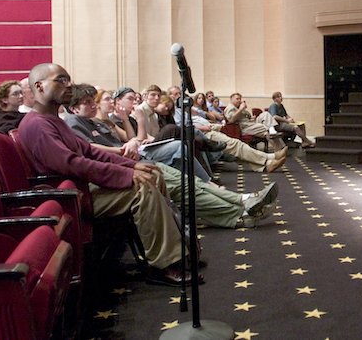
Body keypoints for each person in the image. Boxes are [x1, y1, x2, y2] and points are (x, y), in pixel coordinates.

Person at [19, 63, 195, 286]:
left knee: (152, 173)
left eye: (68, 79)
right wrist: (124, 176)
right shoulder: (37, 125)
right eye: (60, 80)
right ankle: (163, 264)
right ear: (39, 86)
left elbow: (89, 151)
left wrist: (131, 166)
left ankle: (179, 249)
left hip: (81, 186)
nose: (69, 85)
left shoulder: (54, 120)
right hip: (69, 196)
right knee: (143, 190)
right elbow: (71, 163)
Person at [64, 84, 278, 229]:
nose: (94, 105)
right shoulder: (74, 123)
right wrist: (123, 148)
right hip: (124, 169)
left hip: (134, 161)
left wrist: (128, 130)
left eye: (94, 101)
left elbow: (132, 140)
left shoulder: (99, 122)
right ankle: (239, 214)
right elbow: (89, 148)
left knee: (190, 181)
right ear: (73, 108)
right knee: (182, 184)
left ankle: (243, 200)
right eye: (88, 102)